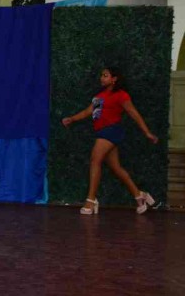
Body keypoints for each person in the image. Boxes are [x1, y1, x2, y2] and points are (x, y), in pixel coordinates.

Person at [62, 67, 158, 215]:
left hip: (111, 131)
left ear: (114, 79)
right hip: (102, 132)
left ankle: (91, 199)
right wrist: (72, 119)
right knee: (116, 167)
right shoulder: (99, 97)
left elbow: (133, 113)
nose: (102, 78)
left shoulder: (121, 95)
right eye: (101, 75)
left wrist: (147, 132)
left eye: (105, 75)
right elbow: (88, 112)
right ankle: (139, 195)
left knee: (95, 160)